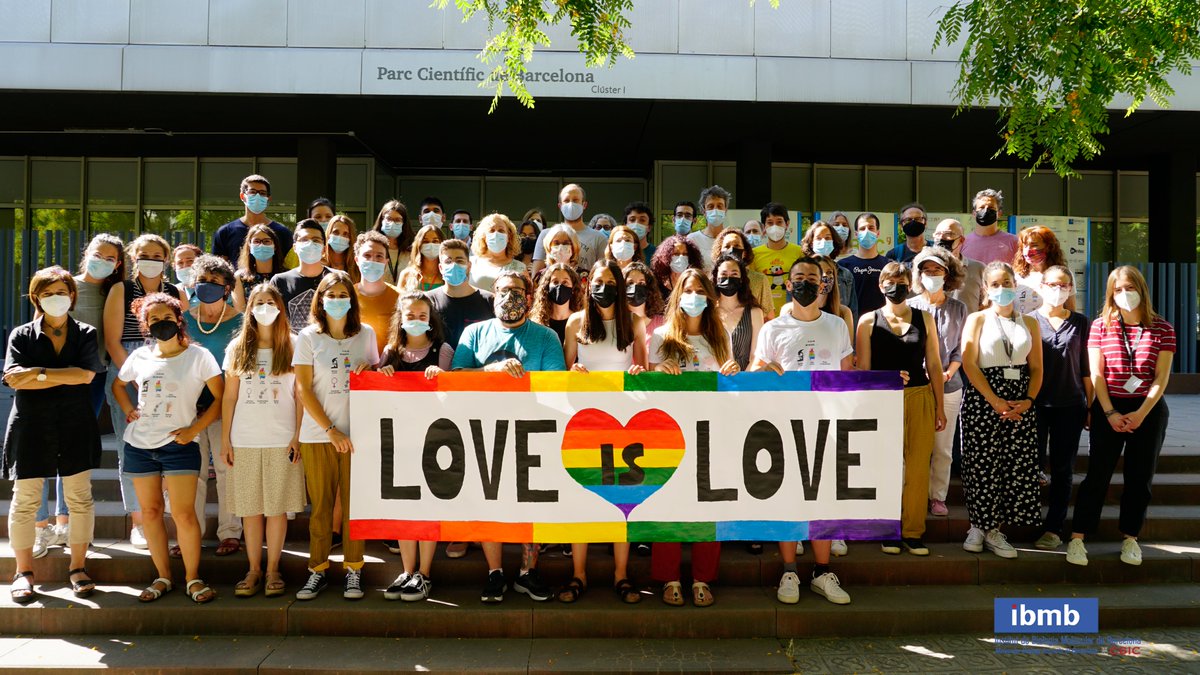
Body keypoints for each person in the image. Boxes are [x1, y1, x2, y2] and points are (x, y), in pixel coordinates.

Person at [452, 270, 565, 604]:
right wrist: (491, 371)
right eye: (502, 290)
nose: (509, 296)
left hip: (531, 432)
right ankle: (495, 572)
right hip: (484, 431)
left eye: (517, 291)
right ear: (493, 296)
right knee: (490, 502)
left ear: (529, 297)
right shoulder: (474, 333)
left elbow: (556, 385)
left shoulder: (545, 337)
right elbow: (456, 377)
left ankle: (528, 572)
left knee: (530, 505)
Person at [751, 257, 854, 606]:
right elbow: (754, 375)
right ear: (788, 283)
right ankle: (789, 570)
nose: (806, 282)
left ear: (824, 283)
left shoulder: (837, 325)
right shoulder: (772, 329)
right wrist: (766, 368)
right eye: (799, 277)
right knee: (788, 500)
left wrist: (886, 384)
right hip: (783, 426)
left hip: (825, 426)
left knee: (823, 500)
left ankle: (822, 572)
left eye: (813, 276)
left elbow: (848, 378)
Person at [113, 292, 224, 604]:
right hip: (140, 444)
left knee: (185, 514)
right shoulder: (139, 357)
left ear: (179, 319)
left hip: (180, 444)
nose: (161, 323)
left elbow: (220, 397)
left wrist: (194, 430)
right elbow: (118, 385)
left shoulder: (199, 356)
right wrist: (128, 409)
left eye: (166, 317)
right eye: (154, 319)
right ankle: (162, 576)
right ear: (146, 325)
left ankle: (192, 578)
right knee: (150, 512)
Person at [4, 267, 104, 603]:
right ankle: (23, 572)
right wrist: (60, 375)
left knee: (79, 498)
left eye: (61, 292)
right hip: (31, 424)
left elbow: (87, 376)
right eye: (47, 293)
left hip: (75, 423)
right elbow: (14, 378)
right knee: (25, 501)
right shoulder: (20, 335)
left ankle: (77, 568)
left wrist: (38, 374)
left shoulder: (86, 333)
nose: (55, 299)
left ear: (72, 296)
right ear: (36, 298)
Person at [1067, 266, 1174, 567]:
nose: (1124, 294)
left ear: (1141, 288)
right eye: (1117, 289)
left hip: (1148, 411)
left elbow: (1161, 378)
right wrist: (1110, 411)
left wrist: (1140, 414)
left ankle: (1130, 538)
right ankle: (1078, 538)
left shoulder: (1163, 328)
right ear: (1110, 294)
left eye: (1129, 287)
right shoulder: (1101, 326)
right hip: (1108, 408)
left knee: (1140, 478)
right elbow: (1097, 373)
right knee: (1097, 476)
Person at [557, 260, 648, 604]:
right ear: (588, 284)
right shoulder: (576, 323)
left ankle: (620, 575)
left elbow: (643, 370)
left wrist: (639, 373)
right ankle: (578, 575)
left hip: (624, 423)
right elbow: (565, 370)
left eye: (611, 281)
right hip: (584, 420)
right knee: (582, 498)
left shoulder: (635, 322)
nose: (604, 287)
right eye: (598, 280)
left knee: (621, 500)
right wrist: (574, 371)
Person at [649, 268, 739, 607]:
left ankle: (702, 578)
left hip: (711, 431)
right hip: (670, 433)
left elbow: (728, 385)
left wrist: (733, 372)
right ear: (677, 295)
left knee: (707, 506)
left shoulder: (720, 337)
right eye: (688, 289)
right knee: (668, 505)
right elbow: (648, 387)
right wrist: (658, 371)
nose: (695, 296)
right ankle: (669, 578)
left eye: (701, 289)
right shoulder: (660, 336)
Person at [30, 235, 123, 558]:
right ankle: (40, 527)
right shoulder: (64, 286)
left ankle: (65, 523)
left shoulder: (114, 292)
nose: (104, 261)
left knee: (71, 450)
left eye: (111, 258)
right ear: (87, 254)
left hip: (91, 379)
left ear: (118, 263)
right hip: (53, 376)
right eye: (100, 254)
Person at [293, 271, 379, 601]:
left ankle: (354, 570)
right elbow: (303, 388)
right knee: (322, 508)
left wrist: (369, 370)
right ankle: (317, 571)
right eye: (331, 294)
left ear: (352, 301)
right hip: (319, 435)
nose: (337, 301)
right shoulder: (308, 337)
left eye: (344, 295)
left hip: (358, 436)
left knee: (355, 505)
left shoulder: (366, 334)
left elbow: (374, 376)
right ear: (320, 300)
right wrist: (330, 431)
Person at [103, 233, 188, 549]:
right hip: (129, 369)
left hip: (169, 369)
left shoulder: (174, 292)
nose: (151, 260)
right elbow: (112, 340)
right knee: (132, 447)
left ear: (166, 259)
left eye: (157, 255)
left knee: (169, 442)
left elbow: (183, 335)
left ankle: (164, 516)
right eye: (144, 254)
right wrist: (138, 376)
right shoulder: (120, 290)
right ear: (134, 258)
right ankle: (139, 521)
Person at [219, 283, 305, 598]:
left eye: (271, 302)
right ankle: (253, 569)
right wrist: (226, 439)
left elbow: (300, 396)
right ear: (250, 309)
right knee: (251, 510)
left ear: (280, 307)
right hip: (244, 439)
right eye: (258, 302)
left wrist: (297, 435)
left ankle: (273, 570)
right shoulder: (238, 347)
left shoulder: (294, 345)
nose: (265, 307)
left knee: (276, 509)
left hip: (282, 439)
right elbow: (229, 397)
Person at [856, 262, 946, 556]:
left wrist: (939, 406)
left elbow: (933, 364)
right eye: (890, 281)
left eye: (902, 280)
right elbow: (864, 370)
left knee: (919, 466)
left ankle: (913, 531)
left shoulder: (925, 318)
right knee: (887, 468)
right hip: (882, 400)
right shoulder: (868, 321)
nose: (896, 286)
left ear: (911, 285)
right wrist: (884, 382)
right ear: (880, 286)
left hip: (920, 396)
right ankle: (888, 529)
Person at [959, 262, 1044, 559]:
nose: (1002, 288)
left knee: (1012, 466)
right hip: (984, 398)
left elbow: (1036, 368)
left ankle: (995, 529)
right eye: (995, 284)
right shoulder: (977, 319)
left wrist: (1029, 400)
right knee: (981, 464)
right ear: (985, 289)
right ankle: (978, 526)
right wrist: (994, 400)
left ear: (1015, 283)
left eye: (1006, 282)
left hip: (1019, 400)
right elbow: (969, 362)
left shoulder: (1030, 322)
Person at [377, 292, 454, 602]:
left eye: (423, 316)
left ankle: (424, 572)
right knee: (403, 508)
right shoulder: (390, 351)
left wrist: (442, 378)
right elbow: (376, 390)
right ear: (400, 317)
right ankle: (407, 571)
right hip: (399, 441)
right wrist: (379, 374)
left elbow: (453, 390)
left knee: (427, 507)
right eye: (410, 314)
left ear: (431, 319)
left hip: (434, 442)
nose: (417, 320)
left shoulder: (443, 350)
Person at [181, 255, 244, 559]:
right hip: (187, 407)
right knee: (192, 471)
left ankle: (230, 532)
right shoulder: (183, 320)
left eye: (215, 282)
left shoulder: (241, 321)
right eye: (202, 281)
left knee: (226, 466)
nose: (207, 287)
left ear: (228, 287)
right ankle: (188, 533)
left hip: (226, 405)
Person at [1030, 265, 1093, 551]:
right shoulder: (1028, 320)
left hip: (1070, 404)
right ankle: (1027, 518)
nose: (1058, 290)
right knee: (1030, 464)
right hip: (1036, 404)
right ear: (1042, 286)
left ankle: (1053, 528)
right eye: (1053, 284)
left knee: (1063, 467)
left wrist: (1091, 406)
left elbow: (1087, 369)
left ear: (1071, 288)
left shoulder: (1081, 322)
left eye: (1064, 284)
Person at [907, 247, 969, 518]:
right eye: (926, 270)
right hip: (917, 386)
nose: (932, 275)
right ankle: (913, 495)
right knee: (915, 447)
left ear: (948, 274)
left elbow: (962, 349)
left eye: (938, 270)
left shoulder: (959, 308)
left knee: (943, 448)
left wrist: (947, 372)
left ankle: (938, 497)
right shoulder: (910, 306)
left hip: (950, 384)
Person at [211, 174, 294, 264]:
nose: (258, 196)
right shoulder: (225, 232)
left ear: (268, 199)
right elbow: (219, 270)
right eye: (252, 192)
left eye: (262, 193)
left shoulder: (283, 233)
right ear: (242, 196)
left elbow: (288, 267)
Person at [427, 239, 493, 350]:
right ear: (441, 268)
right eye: (448, 261)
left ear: (469, 266)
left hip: (477, 366)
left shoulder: (489, 300)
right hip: (438, 366)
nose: (454, 265)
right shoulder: (429, 300)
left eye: (459, 261)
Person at [531, 184, 607, 274]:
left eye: (575, 200)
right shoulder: (546, 234)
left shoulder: (599, 238)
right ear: (560, 206)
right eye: (566, 200)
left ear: (584, 205)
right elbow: (536, 274)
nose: (571, 204)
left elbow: (602, 273)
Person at [271, 220, 330, 333]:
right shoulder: (280, 281)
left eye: (316, 240)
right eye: (304, 240)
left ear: (324, 249)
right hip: (292, 349)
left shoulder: (337, 278)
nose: (310, 244)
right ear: (294, 247)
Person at [749, 202, 804, 316]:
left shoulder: (799, 252)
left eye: (779, 222)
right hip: (764, 317)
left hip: (792, 315)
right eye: (770, 223)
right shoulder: (754, 254)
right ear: (764, 227)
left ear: (787, 224)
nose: (775, 226)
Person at [712, 253, 764, 370]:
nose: (729, 278)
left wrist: (742, 379)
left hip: (745, 381)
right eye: (724, 274)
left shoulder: (754, 313)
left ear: (741, 279)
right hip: (715, 381)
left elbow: (756, 356)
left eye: (734, 274)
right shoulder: (708, 313)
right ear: (716, 278)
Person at [353, 231, 400, 355]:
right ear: (357, 260)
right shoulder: (346, 295)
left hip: (389, 370)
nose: (373, 260)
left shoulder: (400, 297)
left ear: (386, 262)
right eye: (367, 255)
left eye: (379, 256)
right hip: (353, 368)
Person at [712, 228, 775, 320]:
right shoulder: (712, 280)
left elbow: (769, 317)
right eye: (727, 246)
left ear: (744, 253)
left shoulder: (759, 280)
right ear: (720, 252)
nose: (732, 249)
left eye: (737, 245)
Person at [838, 212, 889, 319]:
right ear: (856, 234)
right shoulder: (843, 266)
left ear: (878, 233)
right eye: (862, 228)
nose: (867, 231)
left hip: (883, 325)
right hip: (853, 324)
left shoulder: (888, 265)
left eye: (871, 228)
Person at [801, 220, 856, 318]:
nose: (823, 241)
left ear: (834, 242)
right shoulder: (800, 273)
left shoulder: (845, 275)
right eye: (818, 238)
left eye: (827, 238)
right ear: (811, 243)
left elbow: (853, 310)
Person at [1013, 225, 1072, 314]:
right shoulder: (1015, 276)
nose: (1028, 250)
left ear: (1048, 247)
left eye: (1034, 245)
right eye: (1025, 246)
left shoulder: (1063, 275)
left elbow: (1071, 310)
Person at [932, 219, 986, 313]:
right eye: (937, 234)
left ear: (961, 240)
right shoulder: (924, 268)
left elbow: (987, 304)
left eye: (948, 234)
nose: (941, 237)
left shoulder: (978, 269)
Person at [233, 223, 289, 310]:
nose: (261, 245)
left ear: (275, 246)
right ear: (249, 245)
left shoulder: (287, 275)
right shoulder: (240, 278)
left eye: (266, 241)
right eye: (256, 241)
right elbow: (240, 312)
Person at [470, 213, 527, 292]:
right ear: (484, 236)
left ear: (509, 237)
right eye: (491, 230)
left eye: (501, 230)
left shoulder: (520, 268)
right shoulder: (471, 263)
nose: (496, 234)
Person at [960, 189, 1018, 265]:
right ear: (974, 213)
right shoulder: (962, 243)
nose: (986, 210)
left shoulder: (1013, 242)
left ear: (999, 213)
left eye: (991, 208)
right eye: (981, 207)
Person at [531, 263, 585, 343]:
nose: (560, 286)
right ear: (547, 288)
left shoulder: (580, 321)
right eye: (555, 282)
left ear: (573, 289)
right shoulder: (537, 323)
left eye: (565, 282)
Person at [623, 260, 666, 348]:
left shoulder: (663, 323)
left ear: (649, 289)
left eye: (641, 283)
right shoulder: (615, 324)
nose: (635, 287)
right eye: (630, 283)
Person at [370, 200, 414, 285]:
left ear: (404, 223)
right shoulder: (372, 247)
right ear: (382, 220)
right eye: (388, 219)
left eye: (397, 220)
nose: (392, 223)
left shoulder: (411, 249)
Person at [650, 234, 704, 300]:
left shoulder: (697, 281)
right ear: (666, 256)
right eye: (676, 254)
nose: (681, 257)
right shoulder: (657, 283)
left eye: (685, 254)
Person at [689, 187, 731, 268]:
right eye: (710, 206)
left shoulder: (732, 239)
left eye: (720, 206)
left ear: (725, 210)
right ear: (703, 211)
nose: (715, 210)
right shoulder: (693, 240)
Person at [396, 224, 445, 292]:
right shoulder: (406, 274)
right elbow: (399, 301)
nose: (430, 245)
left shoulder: (447, 275)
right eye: (425, 242)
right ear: (418, 245)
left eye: (435, 241)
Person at [323, 215, 360, 283]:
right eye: (335, 232)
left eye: (345, 234)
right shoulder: (319, 263)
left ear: (351, 238)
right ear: (328, 234)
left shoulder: (357, 267)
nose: (340, 237)